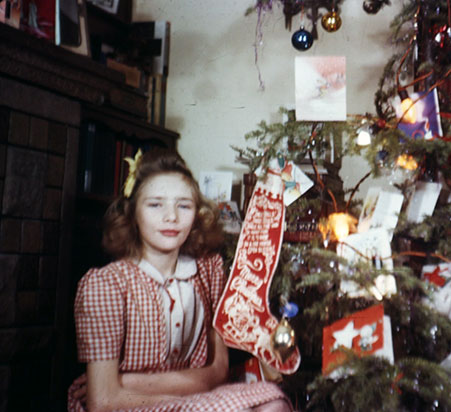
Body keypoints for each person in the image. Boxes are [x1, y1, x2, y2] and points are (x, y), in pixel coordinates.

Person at [67, 149, 292, 412]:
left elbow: (217, 374)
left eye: (183, 205)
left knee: (274, 404)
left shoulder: (208, 272)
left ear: (197, 213)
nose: (171, 217)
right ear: (132, 213)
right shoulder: (106, 285)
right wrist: (184, 399)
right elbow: (103, 400)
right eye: (155, 204)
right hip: (125, 406)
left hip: (185, 399)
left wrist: (125, 380)